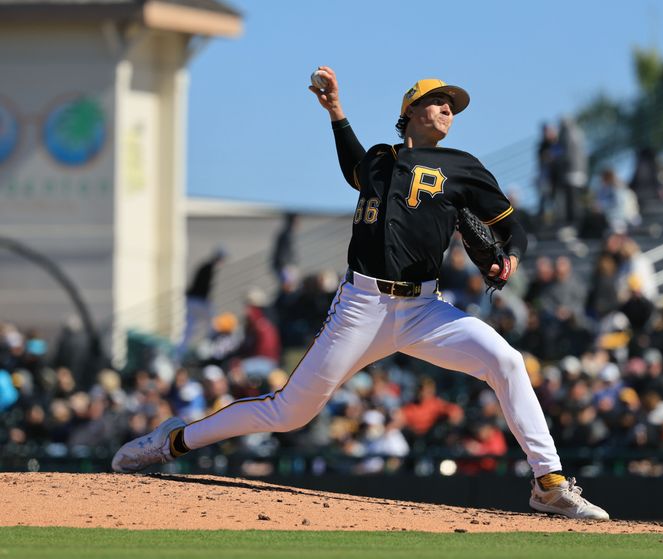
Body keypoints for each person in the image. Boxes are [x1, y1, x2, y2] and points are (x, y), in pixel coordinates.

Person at [112, 67, 609, 520]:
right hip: (361, 306)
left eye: (452, 106)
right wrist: (336, 113)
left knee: (506, 361)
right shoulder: (379, 161)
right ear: (409, 111)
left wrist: (511, 257)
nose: (447, 111)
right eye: (438, 101)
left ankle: (549, 483)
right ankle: (172, 440)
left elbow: (510, 228)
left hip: (423, 309)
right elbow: (354, 166)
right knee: (289, 412)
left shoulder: (462, 166)